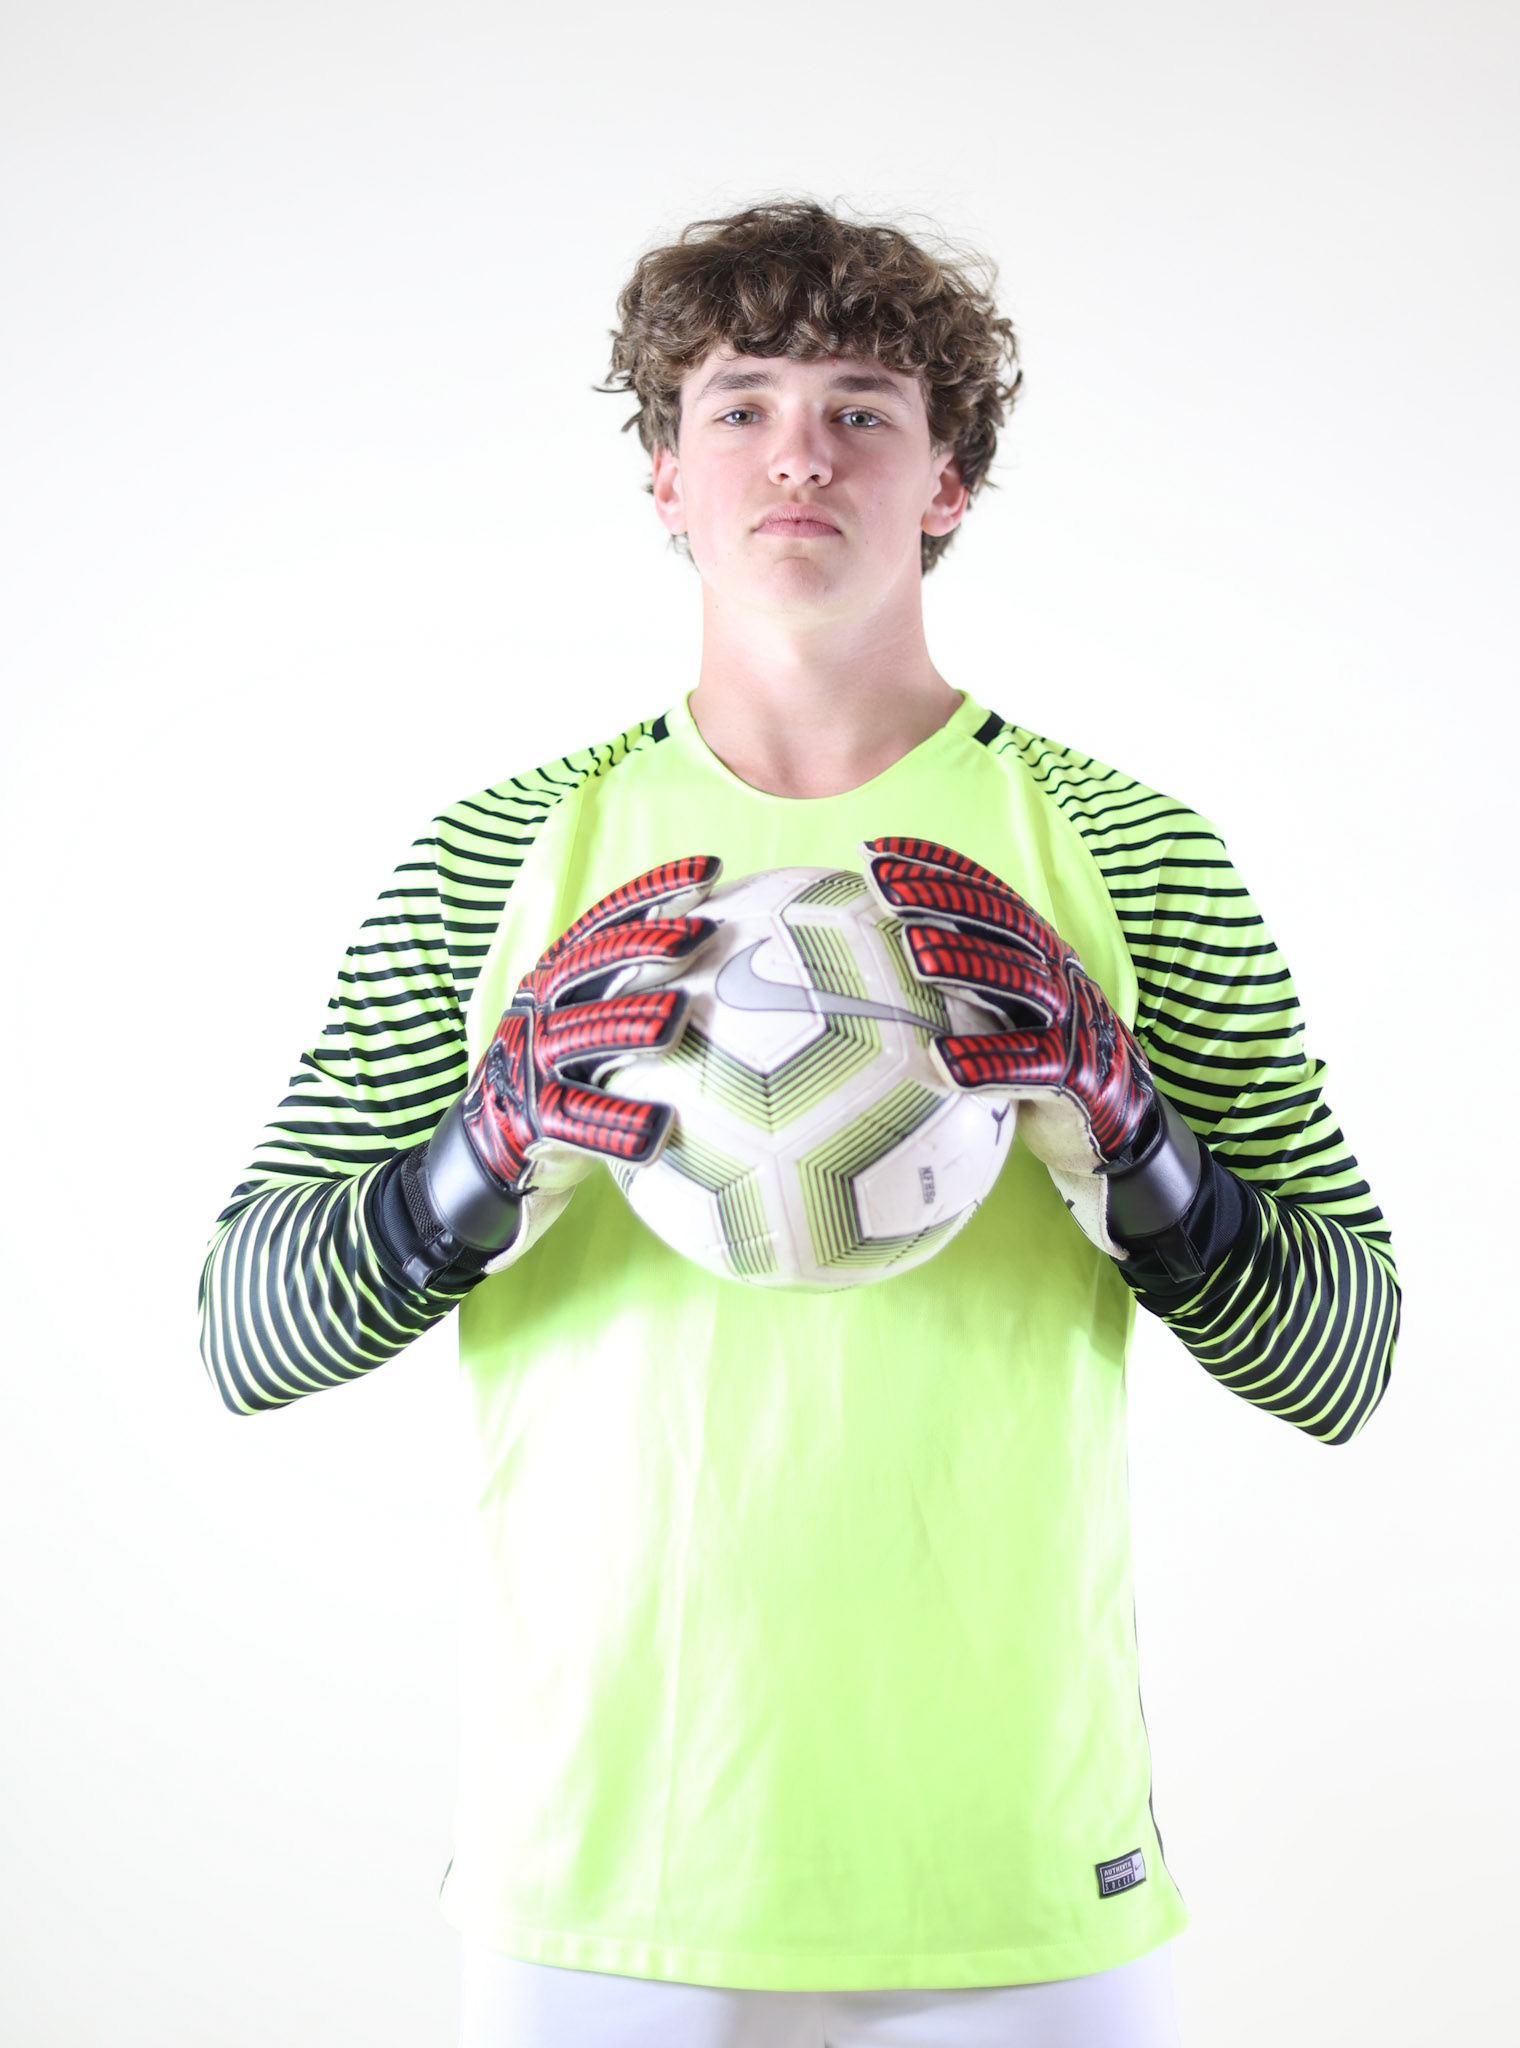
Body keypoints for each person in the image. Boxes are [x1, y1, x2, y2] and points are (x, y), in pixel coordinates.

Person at [199, 198, 1400, 2048]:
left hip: (1015, 1854)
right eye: (739, 403)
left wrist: (1136, 1142)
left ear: (950, 483)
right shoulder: (490, 859)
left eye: (863, 406)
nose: (799, 454)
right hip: (599, 1862)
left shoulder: (1138, 855)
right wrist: (482, 1152)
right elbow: (240, 1331)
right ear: (663, 481)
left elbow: (1350, 1356)